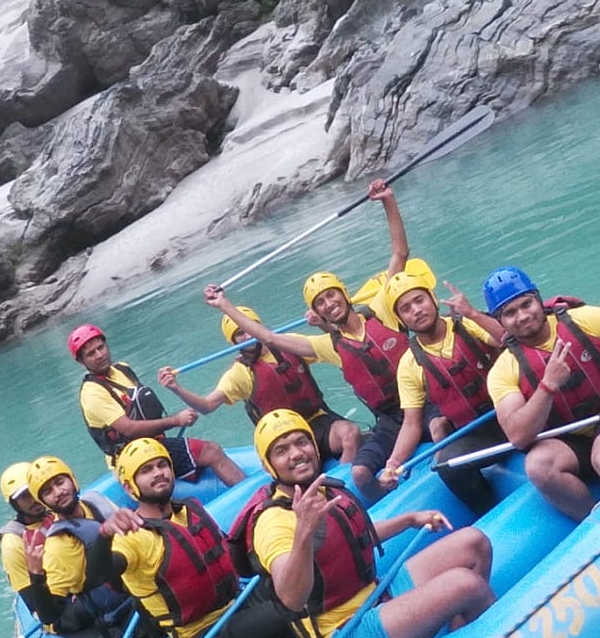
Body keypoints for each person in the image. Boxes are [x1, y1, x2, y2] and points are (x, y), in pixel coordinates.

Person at [199, 180, 443, 501]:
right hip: (389, 419)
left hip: (425, 401)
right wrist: (225, 306)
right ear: (318, 313)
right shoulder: (329, 347)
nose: (329, 303)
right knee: (359, 471)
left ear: (343, 294)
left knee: (439, 427)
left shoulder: (383, 309)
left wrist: (387, 201)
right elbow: (270, 337)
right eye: (321, 303)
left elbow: (400, 253)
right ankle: (368, 510)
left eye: (331, 296)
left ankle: (445, 482)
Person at [235, 410, 494, 638]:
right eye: (281, 450)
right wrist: (303, 533)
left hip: (375, 595)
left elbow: (354, 535)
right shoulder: (272, 522)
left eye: (302, 442)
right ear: (269, 466)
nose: (296, 453)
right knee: (465, 584)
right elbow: (291, 598)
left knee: (473, 543)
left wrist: (408, 520)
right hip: (346, 637)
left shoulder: (325, 489)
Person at [88, 438, 292, 638]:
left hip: (236, 605)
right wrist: (104, 535)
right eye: (146, 470)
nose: (158, 473)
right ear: (129, 486)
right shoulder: (132, 536)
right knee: (290, 605)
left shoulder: (190, 509)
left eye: (162, 465)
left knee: (300, 583)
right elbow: (96, 575)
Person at [482, 266, 600, 520]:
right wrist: (547, 386)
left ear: (538, 298)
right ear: (499, 321)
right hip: (567, 439)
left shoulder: (585, 319)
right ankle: (598, 522)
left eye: (526, 304)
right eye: (510, 313)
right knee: (537, 466)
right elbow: (518, 436)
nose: (522, 316)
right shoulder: (503, 370)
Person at [158, 300, 360, 465]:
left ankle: (346, 481)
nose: (247, 335)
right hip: (282, 433)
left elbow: (337, 345)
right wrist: (177, 388)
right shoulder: (240, 373)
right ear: (233, 343)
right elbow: (207, 406)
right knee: (340, 439)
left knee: (351, 433)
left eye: (248, 327)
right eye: (239, 334)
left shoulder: (287, 343)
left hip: (317, 420)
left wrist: (321, 323)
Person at [375, 270, 506, 514]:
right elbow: (412, 424)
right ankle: (489, 511)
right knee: (447, 464)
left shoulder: (467, 324)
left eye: (419, 300)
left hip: (512, 412)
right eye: (405, 308)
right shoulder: (409, 363)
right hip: (476, 433)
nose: (416, 310)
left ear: (433, 300)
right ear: (402, 320)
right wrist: (393, 463)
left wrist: (473, 313)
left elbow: (509, 339)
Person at [69, 323, 245, 486]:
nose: (100, 355)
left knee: (202, 459)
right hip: (130, 456)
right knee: (211, 451)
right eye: (91, 354)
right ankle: (256, 503)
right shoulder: (92, 393)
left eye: (101, 347)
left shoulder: (122, 368)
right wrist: (176, 420)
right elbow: (129, 428)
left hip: (151, 442)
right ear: (81, 361)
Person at [18, 455, 129, 635]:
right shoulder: (59, 545)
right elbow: (50, 615)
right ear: (43, 502)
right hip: (121, 615)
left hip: (141, 584)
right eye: (48, 491)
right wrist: (36, 576)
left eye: (60, 482)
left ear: (72, 479)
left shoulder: (95, 501)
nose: (58, 492)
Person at [0, 460, 52, 594]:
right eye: (24, 496)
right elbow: (32, 599)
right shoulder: (13, 542)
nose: (33, 499)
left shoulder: (55, 510)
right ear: (14, 503)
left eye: (34, 490)